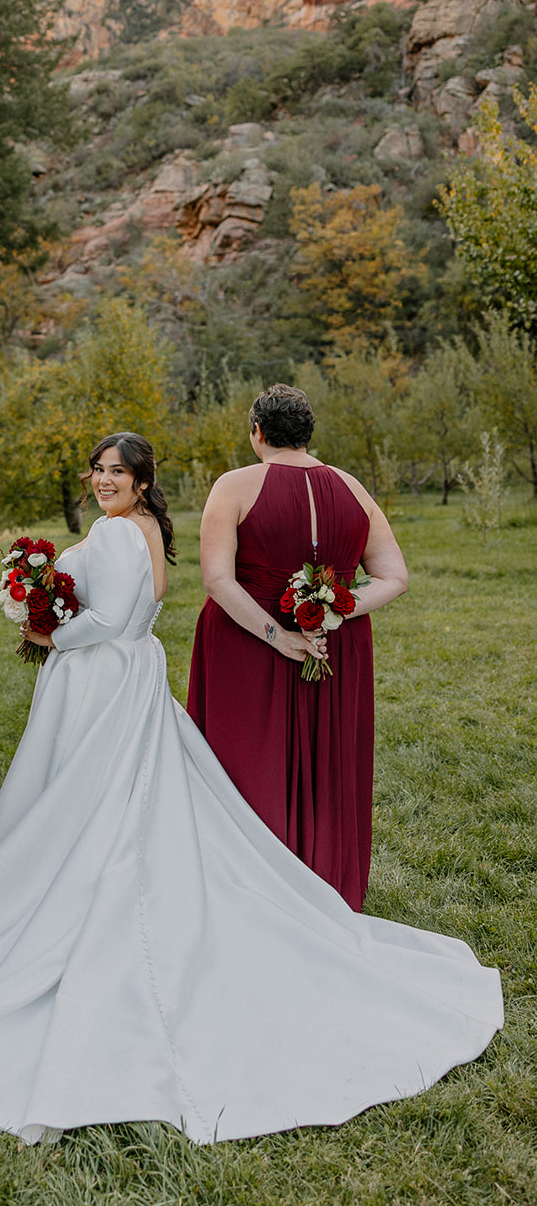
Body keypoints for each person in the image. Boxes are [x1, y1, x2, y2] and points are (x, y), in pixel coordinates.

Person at [0, 430, 501, 1146]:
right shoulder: (139, 529)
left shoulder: (116, 535)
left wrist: (48, 631)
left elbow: (109, 621)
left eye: (119, 472)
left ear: (142, 482)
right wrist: (50, 608)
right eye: (99, 469)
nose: (104, 479)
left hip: (102, 677)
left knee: (95, 802)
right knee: (124, 796)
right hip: (129, 674)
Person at [186, 383, 406, 911]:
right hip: (334, 648)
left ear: (257, 432)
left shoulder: (234, 486)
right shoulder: (354, 488)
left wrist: (280, 637)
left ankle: (247, 888)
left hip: (248, 644)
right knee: (327, 763)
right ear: (308, 433)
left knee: (244, 762)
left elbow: (218, 580)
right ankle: (323, 879)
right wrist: (333, 610)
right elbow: (394, 576)